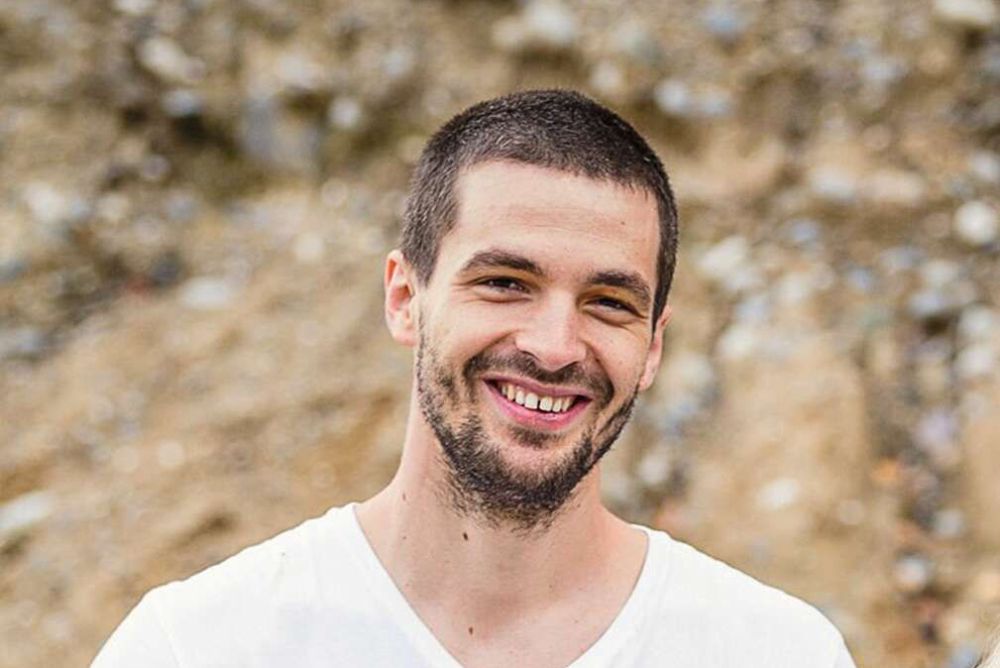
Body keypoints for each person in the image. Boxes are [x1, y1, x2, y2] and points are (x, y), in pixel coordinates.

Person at [93, 89, 856, 667]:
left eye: (608, 302)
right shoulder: (197, 646)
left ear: (653, 346)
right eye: (504, 283)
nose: (554, 348)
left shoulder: (778, 652)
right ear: (405, 299)